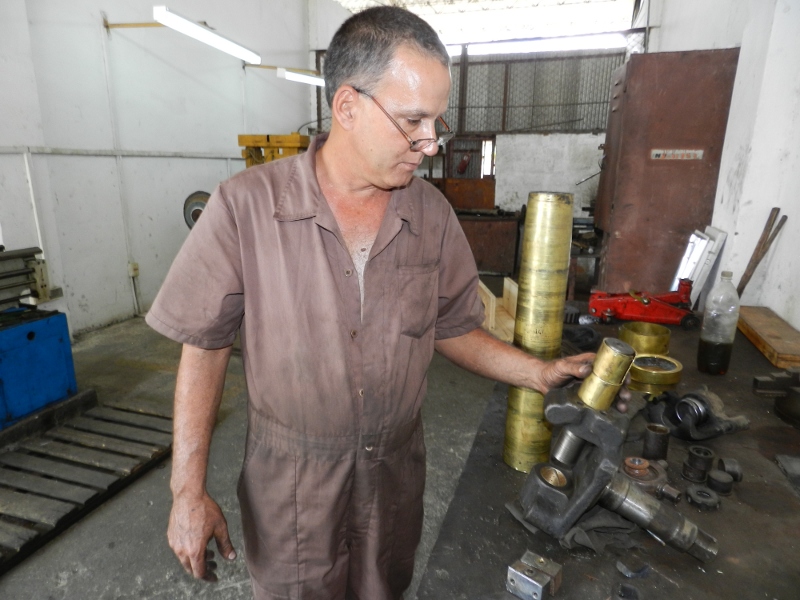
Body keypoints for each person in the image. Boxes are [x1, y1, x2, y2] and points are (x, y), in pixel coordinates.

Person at [146, 6, 611, 600]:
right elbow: (204, 346)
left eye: (437, 121)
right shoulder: (246, 208)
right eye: (413, 120)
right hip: (291, 484)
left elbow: (451, 327)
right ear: (347, 107)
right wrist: (187, 491)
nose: (432, 142)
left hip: (393, 479)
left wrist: (539, 373)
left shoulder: (432, 215)